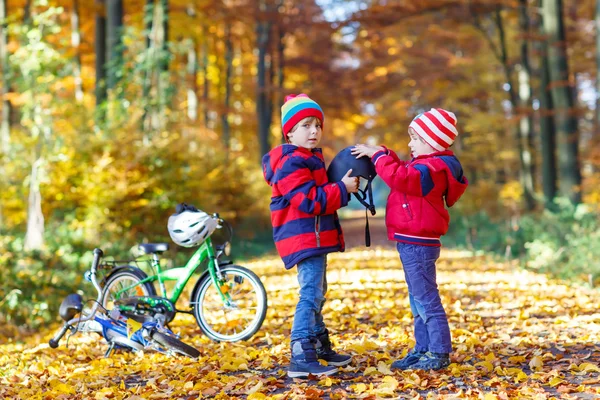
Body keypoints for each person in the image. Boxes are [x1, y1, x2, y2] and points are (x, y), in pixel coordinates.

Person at [352, 108, 468, 371]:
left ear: (431, 142)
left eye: (414, 138)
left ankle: (438, 352)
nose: (409, 143)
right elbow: (402, 169)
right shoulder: (426, 166)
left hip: (418, 242)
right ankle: (423, 348)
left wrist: (379, 155)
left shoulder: (432, 170)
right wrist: (381, 151)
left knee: (426, 298)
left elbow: (399, 177)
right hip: (411, 240)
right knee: (417, 298)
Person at [262, 94, 359, 378]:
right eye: (305, 125)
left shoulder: (310, 158)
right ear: (290, 131)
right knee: (310, 294)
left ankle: (317, 344)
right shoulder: (291, 162)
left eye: (317, 125)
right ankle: (301, 352)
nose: (314, 131)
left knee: (318, 292)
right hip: (303, 237)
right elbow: (309, 200)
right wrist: (342, 188)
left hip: (314, 237)